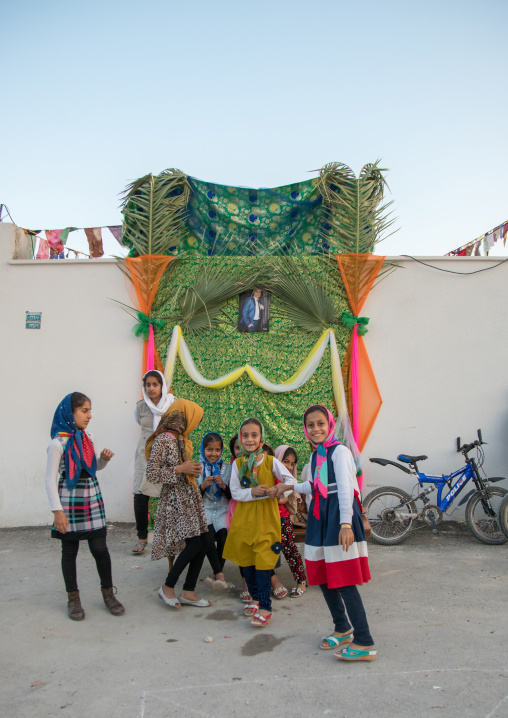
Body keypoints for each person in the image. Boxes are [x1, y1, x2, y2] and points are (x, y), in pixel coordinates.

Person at [273, 405, 376, 661]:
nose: (315, 429)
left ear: (330, 425)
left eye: (320, 423)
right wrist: (287, 487)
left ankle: (364, 641)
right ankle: (342, 628)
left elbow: (343, 489)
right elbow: (315, 485)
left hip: (337, 518)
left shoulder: (339, 452)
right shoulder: (316, 455)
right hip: (320, 518)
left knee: (344, 579)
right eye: (310, 425)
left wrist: (345, 525)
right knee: (324, 577)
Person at [45, 392, 125, 620]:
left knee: (100, 549)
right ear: (70, 413)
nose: (90, 415)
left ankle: (108, 594)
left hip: (91, 498)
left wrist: (104, 460)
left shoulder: (88, 437)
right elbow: (50, 479)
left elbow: (93, 467)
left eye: (90, 410)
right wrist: (56, 511)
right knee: (69, 551)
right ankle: (73, 599)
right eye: (84, 411)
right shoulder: (57, 443)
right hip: (69, 503)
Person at [222, 418, 294, 627]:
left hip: (266, 521)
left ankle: (265, 607)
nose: (250, 439)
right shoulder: (238, 464)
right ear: (240, 438)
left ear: (261, 438)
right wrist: (251, 492)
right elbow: (235, 492)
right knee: (247, 564)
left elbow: (291, 482)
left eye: (254, 435)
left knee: (263, 564)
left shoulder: (271, 462)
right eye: (245, 436)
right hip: (244, 522)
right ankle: (254, 598)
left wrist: (278, 489)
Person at [145, 398, 211, 609]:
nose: (195, 425)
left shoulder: (182, 439)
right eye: (195, 420)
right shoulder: (163, 439)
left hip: (189, 497)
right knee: (194, 544)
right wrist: (181, 469)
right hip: (175, 500)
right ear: (184, 416)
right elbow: (152, 474)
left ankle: (188, 590)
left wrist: (191, 470)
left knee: (202, 542)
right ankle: (167, 587)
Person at [132, 370, 175, 554]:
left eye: (155, 384)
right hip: (144, 455)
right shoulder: (140, 407)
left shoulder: (172, 405)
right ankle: (142, 537)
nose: (151, 388)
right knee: (140, 494)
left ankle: (170, 536)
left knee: (169, 494)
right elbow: (141, 427)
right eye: (147, 385)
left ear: (162, 386)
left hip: (167, 455)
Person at [197, 432, 231, 590]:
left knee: (224, 536)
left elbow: (233, 494)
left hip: (223, 508)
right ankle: (219, 573)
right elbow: (192, 496)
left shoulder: (227, 468)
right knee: (208, 535)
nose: (213, 454)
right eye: (209, 450)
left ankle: (217, 573)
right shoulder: (197, 468)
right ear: (203, 449)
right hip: (204, 508)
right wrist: (202, 486)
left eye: (217, 450)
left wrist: (224, 486)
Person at [274, 445, 308, 597]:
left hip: (282, 518)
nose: (288, 466)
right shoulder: (267, 474)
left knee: (289, 549)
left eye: (292, 464)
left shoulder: (289, 481)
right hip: (266, 518)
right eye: (285, 461)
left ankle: (302, 581)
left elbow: (283, 499)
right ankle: (270, 583)